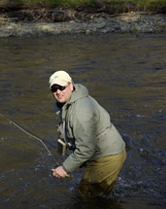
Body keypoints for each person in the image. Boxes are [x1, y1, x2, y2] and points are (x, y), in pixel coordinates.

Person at [49, 70, 126, 198]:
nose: (58, 92)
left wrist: (65, 168)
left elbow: (86, 149)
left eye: (61, 87)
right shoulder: (71, 102)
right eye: (54, 89)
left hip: (107, 156)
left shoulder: (80, 112)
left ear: (71, 85)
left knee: (87, 198)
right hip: (101, 152)